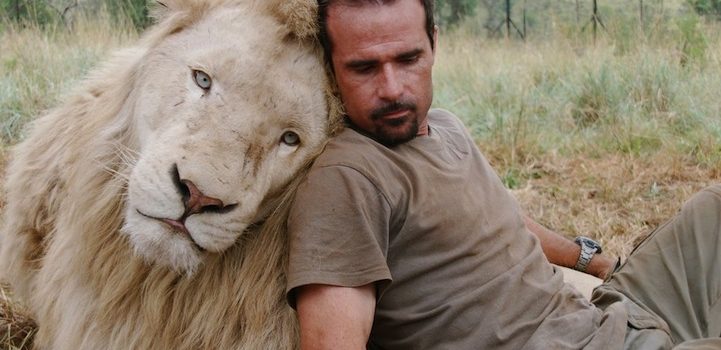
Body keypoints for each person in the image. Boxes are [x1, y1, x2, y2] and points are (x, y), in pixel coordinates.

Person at [285, 0, 721, 348]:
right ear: (330, 67)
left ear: (433, 44)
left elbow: (502, 217)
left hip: (612, 318)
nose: (393, 88)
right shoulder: (346, 179)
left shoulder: (447, 126)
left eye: (408, 58)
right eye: (364, 67)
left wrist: (593, 261)